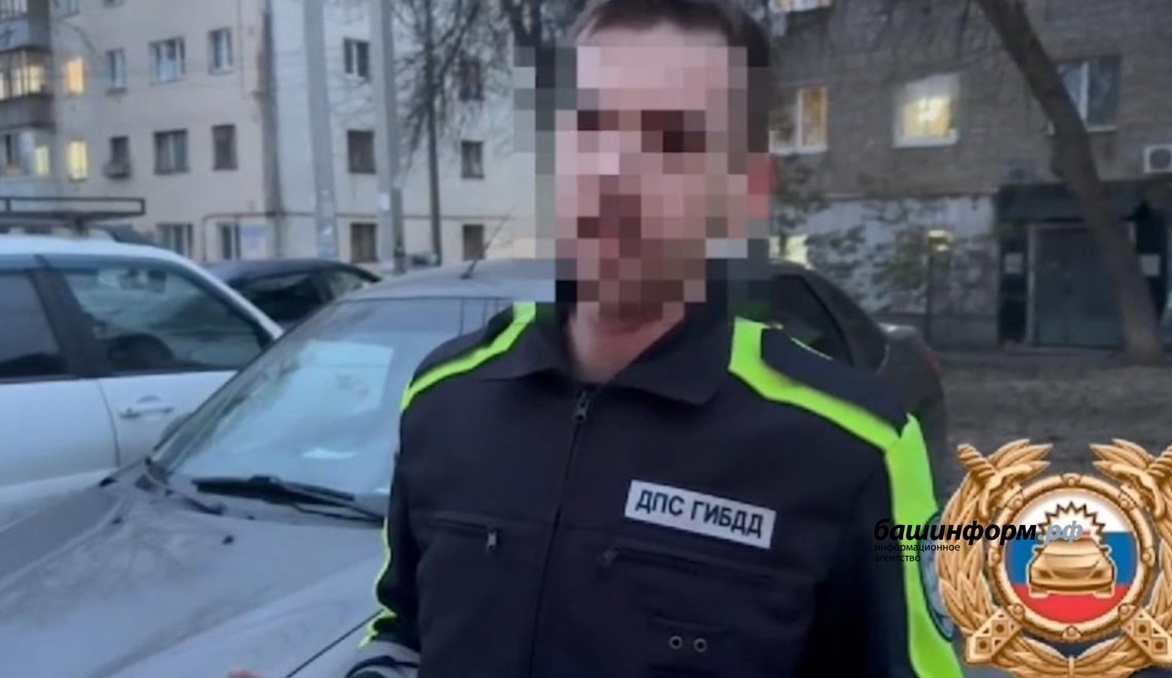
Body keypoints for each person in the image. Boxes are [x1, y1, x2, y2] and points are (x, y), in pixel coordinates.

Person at [232, 0, 960, 676]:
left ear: (748, 190)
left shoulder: (854, 447)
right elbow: (405, 630)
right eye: (590, 128)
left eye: (671, 140)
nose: (614, 173)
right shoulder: (444, 397)